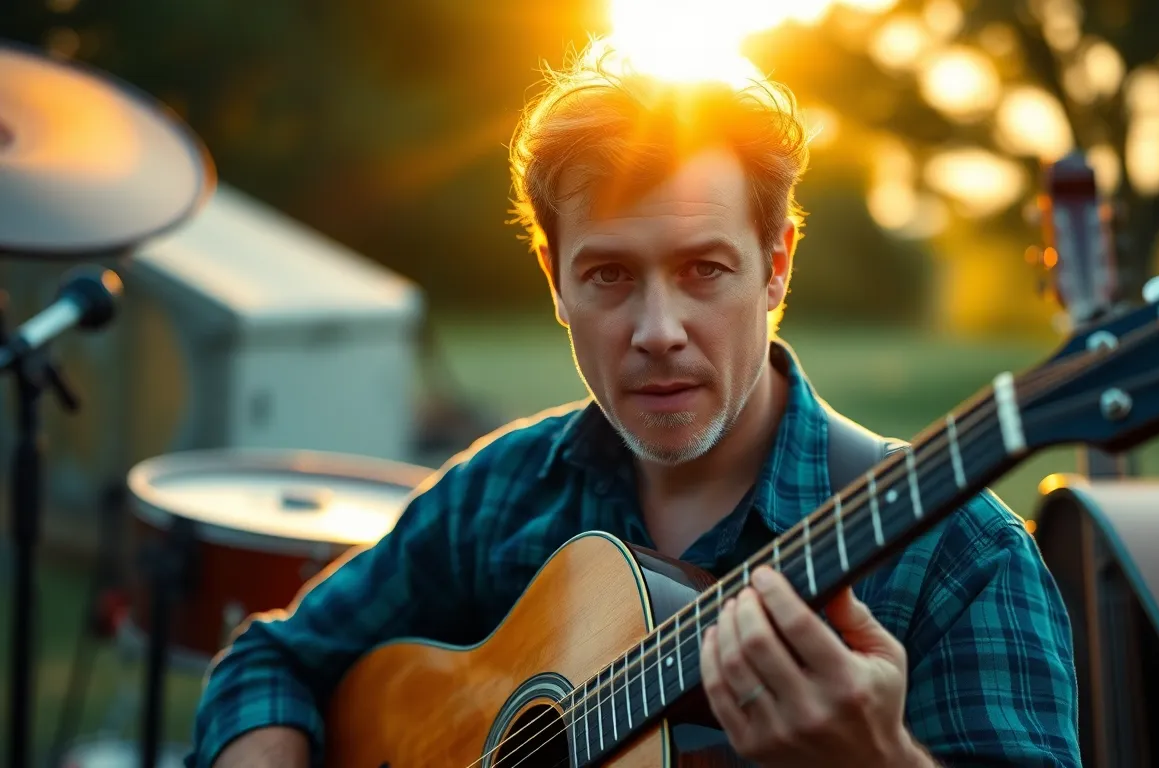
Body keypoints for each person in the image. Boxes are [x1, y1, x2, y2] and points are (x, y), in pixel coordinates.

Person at [187, 44, 1081, 768]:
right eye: (609, 275)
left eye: (705, 270)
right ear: (554, 281)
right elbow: (276, 659)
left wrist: (878, 761)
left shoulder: (960, 557)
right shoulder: (504, 492)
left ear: (777, 266)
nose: (657, 330)